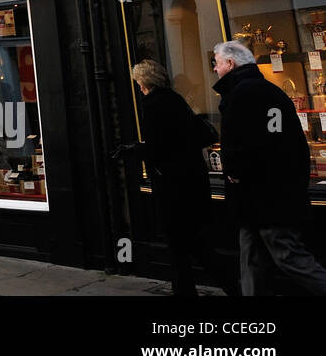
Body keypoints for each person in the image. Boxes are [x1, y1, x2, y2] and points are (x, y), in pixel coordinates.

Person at [212, 40, 326, 295]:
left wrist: (237, 171)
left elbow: (259, 142)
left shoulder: (247, 93)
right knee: (252, 260)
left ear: (230, 63)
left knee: (290, 258)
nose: (215, 70)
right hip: (260, 198)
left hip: (265, 197)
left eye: (217, 64)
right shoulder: (258, 90)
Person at [124, 59, 238, 296]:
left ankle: (229, 288)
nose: (138, 86)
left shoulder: (153, 104)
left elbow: (159, 147)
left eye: (138, 82)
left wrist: (135, 150)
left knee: (185, 245)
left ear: (144, 81)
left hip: (174, 187)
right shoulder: (174, 99)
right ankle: (205, 289)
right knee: (190, 244)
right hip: (192, 181)